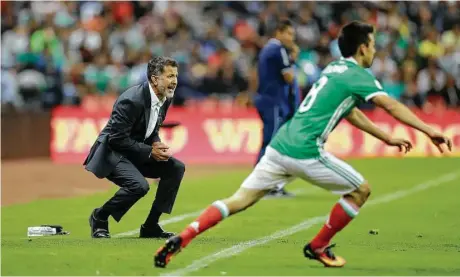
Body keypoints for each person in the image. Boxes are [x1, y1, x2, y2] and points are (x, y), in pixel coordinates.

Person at [154, 21, 452, 268]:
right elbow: (391, 106)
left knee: (238, 200)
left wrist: (386, 137)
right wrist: (429, 130)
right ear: (363, 48)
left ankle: (186, 236)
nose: (374, 50)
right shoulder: (358, 75)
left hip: (280, 145)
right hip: (305, 151)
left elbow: (350, 110)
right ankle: (319, 246)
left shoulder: (334, 68)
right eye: (373, 45)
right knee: (361, 190)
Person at [84, 56, 186, 239]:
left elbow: (151, 127)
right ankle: (99, 217)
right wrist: (149, 151)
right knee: (139, 186)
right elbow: (116, 139)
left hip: (135, 151)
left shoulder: (165, 98)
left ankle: (151, 226)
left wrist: (155, 141)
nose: (175, 81)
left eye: (176, 76)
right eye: (170, 76)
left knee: (176, 168)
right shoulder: (131, 100)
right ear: (155, 79)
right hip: (112, 153)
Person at [254, 19, 300, 198]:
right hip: (272, 101)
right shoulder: (277, 49)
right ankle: (262, 184)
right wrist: (293, 62)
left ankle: (270, 184)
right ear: (279, 32)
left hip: (269, 100)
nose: (291, 38)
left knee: (273, 143)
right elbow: (289, 77)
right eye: (289, 34)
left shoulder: (270, 50)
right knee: (271, 143)